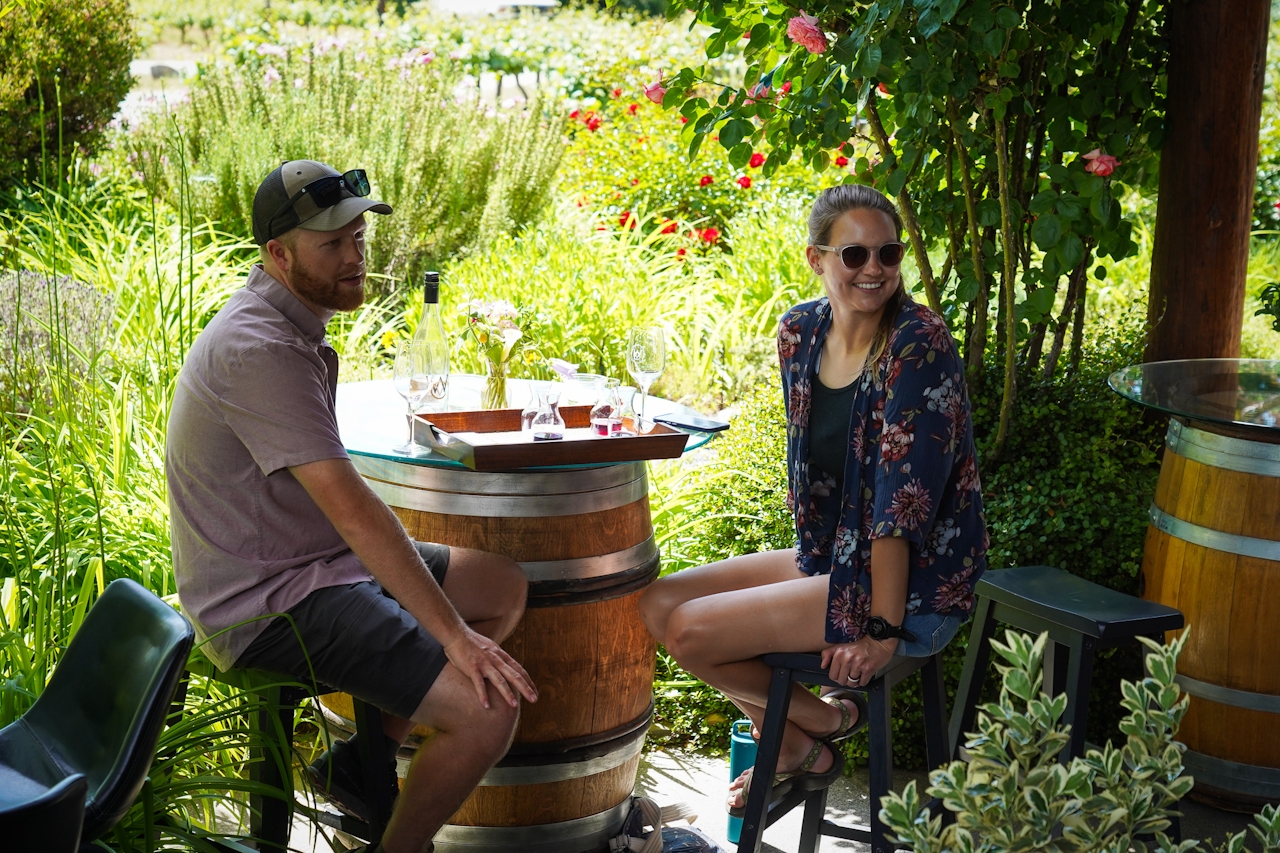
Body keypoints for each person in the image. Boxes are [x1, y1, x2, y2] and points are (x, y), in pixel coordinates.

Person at [166, 160, 537, 853]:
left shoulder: (286, 324)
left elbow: (345, 520)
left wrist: (451, 620)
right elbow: (353, 511)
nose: (354, 256)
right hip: (266, 601)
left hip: (311, 562)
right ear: (277, 254)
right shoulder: (259, 347)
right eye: (331, 244)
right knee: (489, 715)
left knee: (501, 584)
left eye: (359, 238)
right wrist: (454, 637)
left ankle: (355, 770)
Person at [638, 184, 987, 814]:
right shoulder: (801, 332)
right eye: (854, 256)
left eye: (888, 253)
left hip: (913, 585)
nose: (874, 269)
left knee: (691, 632)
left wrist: (878, 633)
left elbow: (899, 507)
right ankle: (814, 735)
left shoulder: (918, 342)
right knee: (660, 604)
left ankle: (813, 737)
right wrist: (821, 573)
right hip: (835, 557)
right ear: (816, 259)